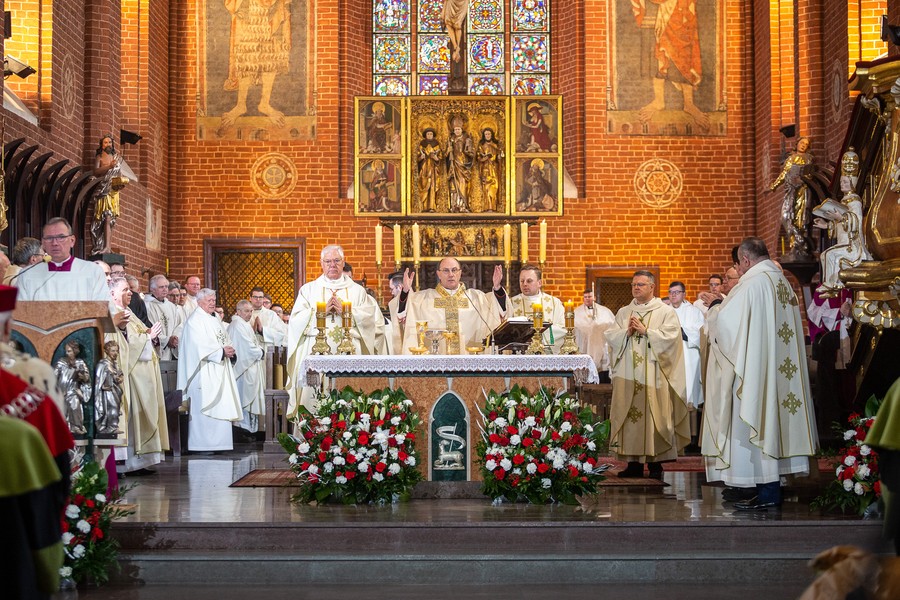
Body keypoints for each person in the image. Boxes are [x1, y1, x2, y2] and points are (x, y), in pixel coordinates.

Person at [703, 238, 818, 510]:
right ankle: (768, 489)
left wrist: (714, 308)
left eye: (739, 264)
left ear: (745, 259)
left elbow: (728, 328)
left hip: (756, 371)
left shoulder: (752, 284)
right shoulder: (782, 283)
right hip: (780, 372)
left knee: (756, 420)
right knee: (773, 424)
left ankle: (766, 492)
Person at [606, 270, 688, 479]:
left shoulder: (665, 311)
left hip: (654, 374)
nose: (636, 288)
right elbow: (611, 336)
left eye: (641, 284)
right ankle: (632, 463)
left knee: (655, 415)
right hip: (628, 374)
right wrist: (626, 333)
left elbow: (672, 339)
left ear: (652, 287)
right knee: (628, 414)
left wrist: (647, 332)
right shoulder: (624, 312)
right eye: (634, 284)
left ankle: (655, 464)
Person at [286, 245, 380, 416]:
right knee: (314, 397)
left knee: (350, 397)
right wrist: (319, 313)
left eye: (336, 261)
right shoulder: (308, 290)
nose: (332, 265)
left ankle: (351, 437)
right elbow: (295, 321)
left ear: (343, 262)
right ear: (321, 263)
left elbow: (369, 319)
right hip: (316, 352)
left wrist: (347, 312)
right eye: (328, 261)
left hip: (350, 351)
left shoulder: (357, 291)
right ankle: (312, 435)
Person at [109, 277, 169, 473]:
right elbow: (126, 344)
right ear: (113, 294)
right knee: (132, 419)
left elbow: (137, 335)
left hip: (143, 373)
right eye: (125, 290)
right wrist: (147, 337)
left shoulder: (129, 312)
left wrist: (149, 335)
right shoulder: (112, 313)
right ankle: (131, 463)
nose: (130, 293)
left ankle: (142, 461)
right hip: (133, 375)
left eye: (129, 290)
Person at [177, 287, 242, 452]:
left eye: (214, 300)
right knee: (205, 406)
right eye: (209, 301)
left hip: (219, 368)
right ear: (199, 302)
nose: (213, 303)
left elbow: (224, 339)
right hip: (203, 371)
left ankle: (220, 444)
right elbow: (197, 345)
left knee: (220, 404)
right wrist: (221, 352)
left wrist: (230, 350)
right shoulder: (195, 321)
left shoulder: (213, 319)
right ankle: (202, 445)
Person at [400, 258, 503, 354]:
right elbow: (405, 312)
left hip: (469, 362)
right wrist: (405, 291)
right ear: (438, 274)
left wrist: (497, 287)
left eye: (454, 270)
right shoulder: (423, 299)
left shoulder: (477, 298)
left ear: (460, 273)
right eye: (446, 270)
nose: (451, 274)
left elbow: (496, 309)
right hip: (436, 364)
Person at [633, 0, 709, 131]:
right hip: (658, 11)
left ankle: (689, 104)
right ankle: (659, 100)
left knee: (684, 53)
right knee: (658, 53)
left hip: (682, 9)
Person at [220, 0, 291, 130]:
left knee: (271, 51)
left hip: (274, 6)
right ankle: (240, 105)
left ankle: (265, 103)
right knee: (247, 50)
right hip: (250, 6)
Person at [17, 218, 109, 301]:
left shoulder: (93, 271)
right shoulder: (27, 275)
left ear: (72, 241)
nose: (55, 243)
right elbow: (18, 313)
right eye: (49, 238)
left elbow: (105, 310)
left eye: (61, 237)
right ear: (43, 243)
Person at [668, 281, 705, 449]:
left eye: (677, 292)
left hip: (689, 357)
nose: (673, 295)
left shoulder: (694, 312)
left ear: (684, 294)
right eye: (671, 292)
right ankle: (670, 436)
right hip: (669, 358)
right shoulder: (665, 311)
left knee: (689, 395)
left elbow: (699, 332)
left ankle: (692, 438)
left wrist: (681, 331)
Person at [497, 264, 566, 353]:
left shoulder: (554, 303)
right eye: (522, 281)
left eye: (529, 281)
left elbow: (562, 328)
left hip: (546, 355)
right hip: (519, 356)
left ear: (539, 283)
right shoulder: (511, 303)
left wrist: (536, 336)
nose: (525, 284)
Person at [770, 136, 814, 258]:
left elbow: (811, 173)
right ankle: (796, 243)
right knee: (787, 216)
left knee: (801, 216)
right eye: (802, 143)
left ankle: (801, 242)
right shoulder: (791, 158)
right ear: (797, 144)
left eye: (806, 144)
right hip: (791, 190)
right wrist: (774, 185)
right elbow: (784, 173)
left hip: (804, 190)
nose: (803, 145)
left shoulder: (809, 158)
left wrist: (803, 179)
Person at [227, 300, 266, 435]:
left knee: (248, 398)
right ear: (238, 311)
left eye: (251, 311)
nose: (250, 314)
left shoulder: (243, 324)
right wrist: (260, 352)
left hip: (249, 367)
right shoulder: (237, 325)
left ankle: (250, 431)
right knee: (244, 397)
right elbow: (246, 348)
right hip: (243, 369)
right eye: (246, 311)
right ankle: (243, 431)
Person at [90, 134, 127, 255]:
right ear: (101, 145)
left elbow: (118, 173)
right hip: (103, 190)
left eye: (110, 142)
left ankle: (108, 246)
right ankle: (104, 246)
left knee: (111, 220)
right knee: (105, 217)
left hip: (114, 191)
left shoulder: (116, 157)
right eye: (105, 143)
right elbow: (96, 172)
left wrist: (121, 182)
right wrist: (108, 166)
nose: (108, 145)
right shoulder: (99, 157)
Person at [574, 289, 616, 382]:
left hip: (601, 345)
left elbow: (612, 325)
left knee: (603, 375)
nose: (587, 299)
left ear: (594, 298)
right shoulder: (577, 312)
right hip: (584, 346)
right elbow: (575, 328)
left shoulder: (605, 311)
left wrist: (598, 326)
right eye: (585, 297)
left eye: (590, 297)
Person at [54, 340, 92, 436]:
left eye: (69, 351)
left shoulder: (80, 362)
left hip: (73, 390)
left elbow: (87, 377)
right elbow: (54, 375)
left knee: (75, 406)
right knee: (62, 410)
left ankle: (76, 427)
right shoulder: (61, 362)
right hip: (61, 391)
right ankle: (62, 427)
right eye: (66, 351)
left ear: (75, 351)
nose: (67, 353)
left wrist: (83, 376)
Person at [145, 274, 182, 360]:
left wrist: (175, 338)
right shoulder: (147, 306)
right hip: (155, 351)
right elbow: (148, 327)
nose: (165, 289)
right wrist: (166, 340)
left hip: (171, 350)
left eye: (166, 286)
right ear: (152, 289)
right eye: (161, 287)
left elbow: (179, 325)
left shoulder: (171, 306)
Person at [93, 340, 125, 437]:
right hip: (107, 392)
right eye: (113, 351)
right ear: (107, 351)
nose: (115, 353)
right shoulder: (103, 364)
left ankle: (113, 426)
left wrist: (120, 378)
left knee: (115, 408)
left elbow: (120, 374)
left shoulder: (115, 364)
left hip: (115, 391)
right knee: (111, 409)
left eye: (116, 351)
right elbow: (98, 380)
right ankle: (108, 427)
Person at [446, 116, 475, 213]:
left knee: (462, 183)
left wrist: (468, 151)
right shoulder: (451, 140)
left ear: (462, 129)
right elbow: (445, 155)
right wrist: (448, 150)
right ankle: (455, 205)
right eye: (455, 129)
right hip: (454, 164)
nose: (457, 131)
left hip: (463, 164)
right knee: (453, 185)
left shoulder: (467, 139)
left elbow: (471, 153)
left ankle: (463, 205)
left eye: (458, 129)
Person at [477, 128, 502, 212]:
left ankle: (494, 207)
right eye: (486, 134)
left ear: (492, 135)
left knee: (494, 187)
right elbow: (479, 158)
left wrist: (499, 157)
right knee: (486, 188)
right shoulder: (482, 146)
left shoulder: (496, 145)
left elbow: (499, 158)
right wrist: (485, 157)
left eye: (489, 134)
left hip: (493, 168)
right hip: (485, 169)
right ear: (484, 136)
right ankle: (487, 207)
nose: (487, 136)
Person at [417, 128, 442, 212]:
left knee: (432, 186)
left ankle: (432, 206)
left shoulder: (436, 144)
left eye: (431, 134)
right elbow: (417, 158)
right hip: (424, 168)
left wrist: (435, 158)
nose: (429, 135)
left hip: (433, 168)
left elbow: (440, 157)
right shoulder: (422, 144)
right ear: (425, 135)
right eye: (428, 134)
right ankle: (424, 207)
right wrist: (421, 157)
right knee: (424, 185)